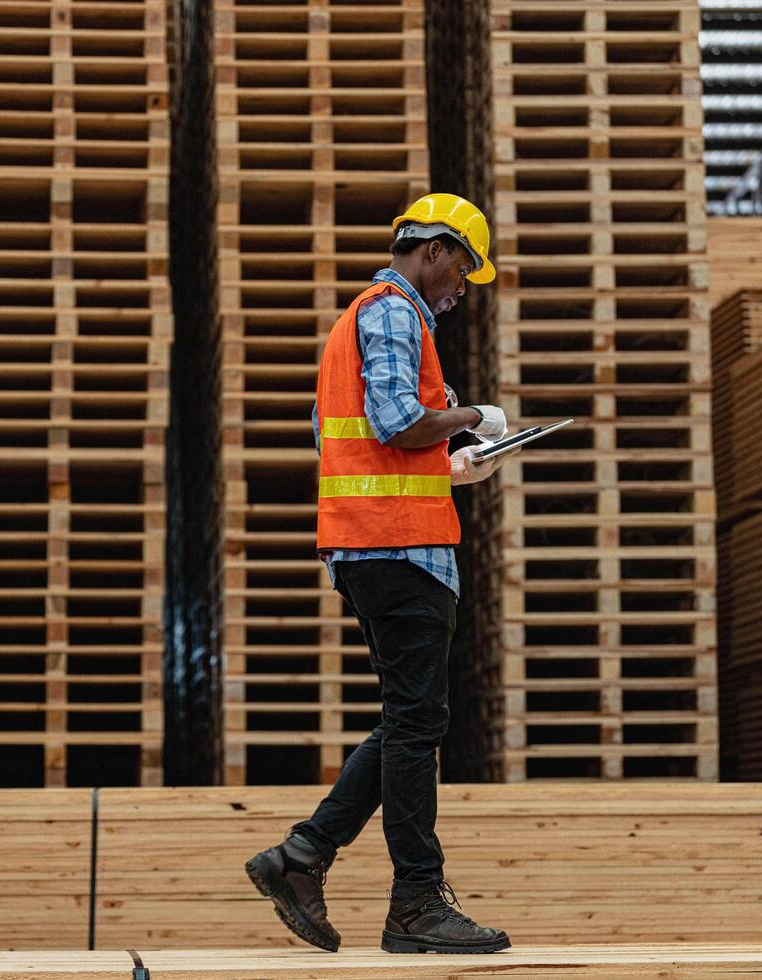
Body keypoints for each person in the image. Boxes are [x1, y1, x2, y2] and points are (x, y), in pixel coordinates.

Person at [244, 193, 514, 955]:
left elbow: (366, 440)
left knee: (409, 720)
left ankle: (301, 858)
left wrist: (453, 464)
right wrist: (473, 418)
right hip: (397, 548)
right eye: (462, 266)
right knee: (416, 723)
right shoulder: (394, 312)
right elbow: (397, 421)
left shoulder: (361, 322)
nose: (463, 285)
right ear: (430, 249)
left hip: (383, 544)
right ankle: (415, 904)